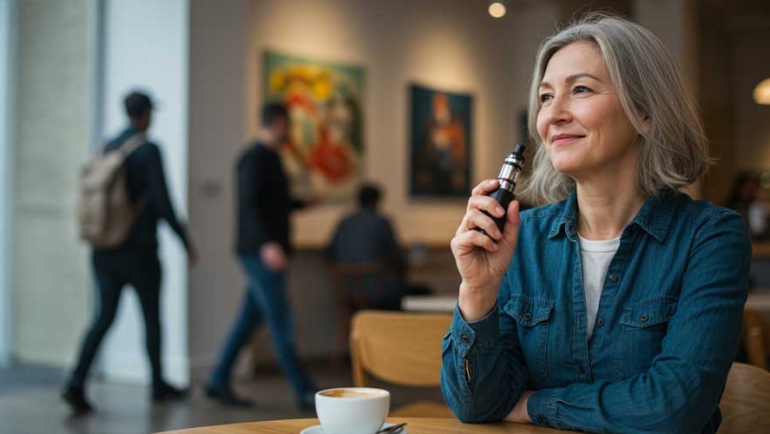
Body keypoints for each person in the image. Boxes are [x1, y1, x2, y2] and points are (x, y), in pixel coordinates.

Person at [441, 14, 751, 434]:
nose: (554, 115)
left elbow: (674, 407)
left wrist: (533, 405)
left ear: (645, 110)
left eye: (581, 90)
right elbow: (476, 405)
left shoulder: (710, 237)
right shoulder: (522, 237)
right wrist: (478, 291)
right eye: (547, 97)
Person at [63, 91, 197, 414]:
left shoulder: (107, 146)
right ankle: (157, 385)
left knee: (103, 317)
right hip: (140, 249)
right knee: (151, 317)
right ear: (147, 114)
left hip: (103, 248)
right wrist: (185, 242)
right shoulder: (148, 150)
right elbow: (163, 202)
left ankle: (76, 382)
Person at [206, 102, 316, 409]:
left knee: (247, 320)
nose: (290, 131)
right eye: (288, 125)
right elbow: (250, 207)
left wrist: (304, 204)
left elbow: (275, 205)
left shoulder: (273, 159)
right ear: (278, 123)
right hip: (260, 253)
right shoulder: (251, 159)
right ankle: (304, 389)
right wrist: (267, 244)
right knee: (281, 320)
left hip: (267, 250)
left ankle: (217, 379)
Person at [327, 183, 429, 311]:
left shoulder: (344, 223)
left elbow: (330, 254)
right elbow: (397, 258)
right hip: (377, 292)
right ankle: (399, 330)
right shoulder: (381, 222)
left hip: (347, 292)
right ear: (377, 200)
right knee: (422, 292)